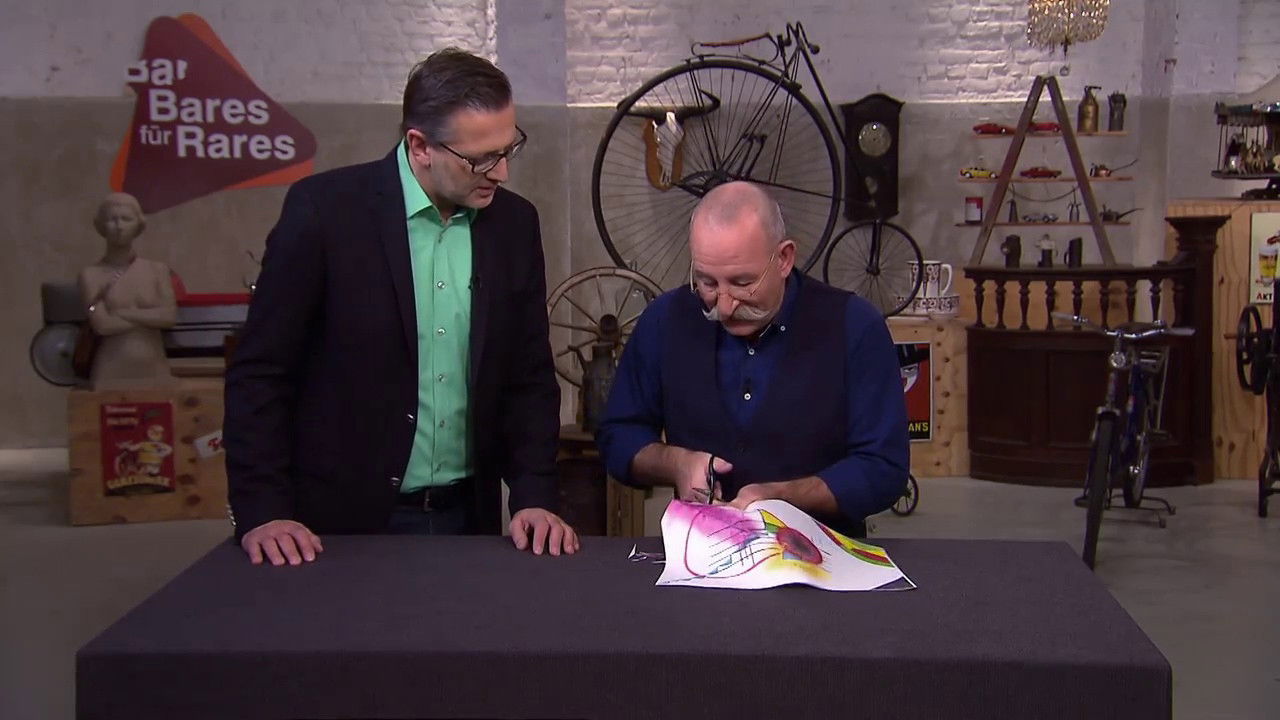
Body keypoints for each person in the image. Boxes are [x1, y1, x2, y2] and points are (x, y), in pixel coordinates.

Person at [225, 48, 578, 565]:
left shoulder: (515, 225)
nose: (501, 172)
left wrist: (534, 495)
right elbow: (261, 373)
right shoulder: (324, 213)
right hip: (336, 527)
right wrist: (263, 509)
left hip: (469, 518)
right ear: (420, 145)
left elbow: (528, 375)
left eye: (508, 150)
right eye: (480, 158)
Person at [595, 182, 908, 538]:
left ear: (784, 259)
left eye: (743, 283)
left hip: (822, 558)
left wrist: (784, 497)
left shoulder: (855, 326)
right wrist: (676, 463)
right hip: (701, 556)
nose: (725, 305)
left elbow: (884, 468)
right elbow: (618, 435)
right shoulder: (664, 320)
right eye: (707, 282)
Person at [78, 192, 177, 390]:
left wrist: (123, 312)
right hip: (109, 372)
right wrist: (149, 316)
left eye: (126, 219)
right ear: (101, 226)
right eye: (112, 219)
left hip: (155, 370)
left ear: (138, 224)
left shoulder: (157, 270)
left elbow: (168, 316)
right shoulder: (91, 275)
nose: (119, 226)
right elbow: (103, 325)